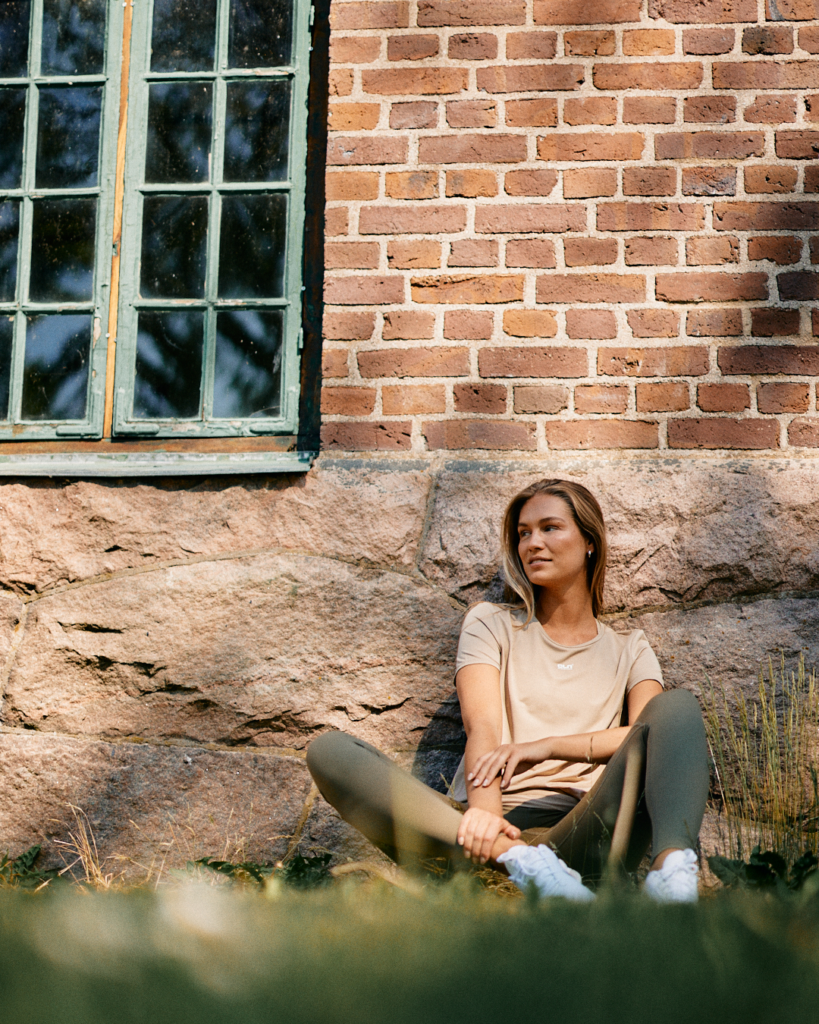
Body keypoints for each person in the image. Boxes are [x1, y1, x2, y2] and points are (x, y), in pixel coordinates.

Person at [307, 478, 709, 902]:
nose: (533, 543)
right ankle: (519, 862)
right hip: (477, 834)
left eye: (550, 528)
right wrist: (487, 818)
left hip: (579, 832)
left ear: (590, 542)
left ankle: (671, 878)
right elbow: (482, 725)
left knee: (677, 708)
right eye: (523, 533)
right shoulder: (491, 623)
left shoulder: (630, 649)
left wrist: (547, 747)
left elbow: (650, 737)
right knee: (330, 752)